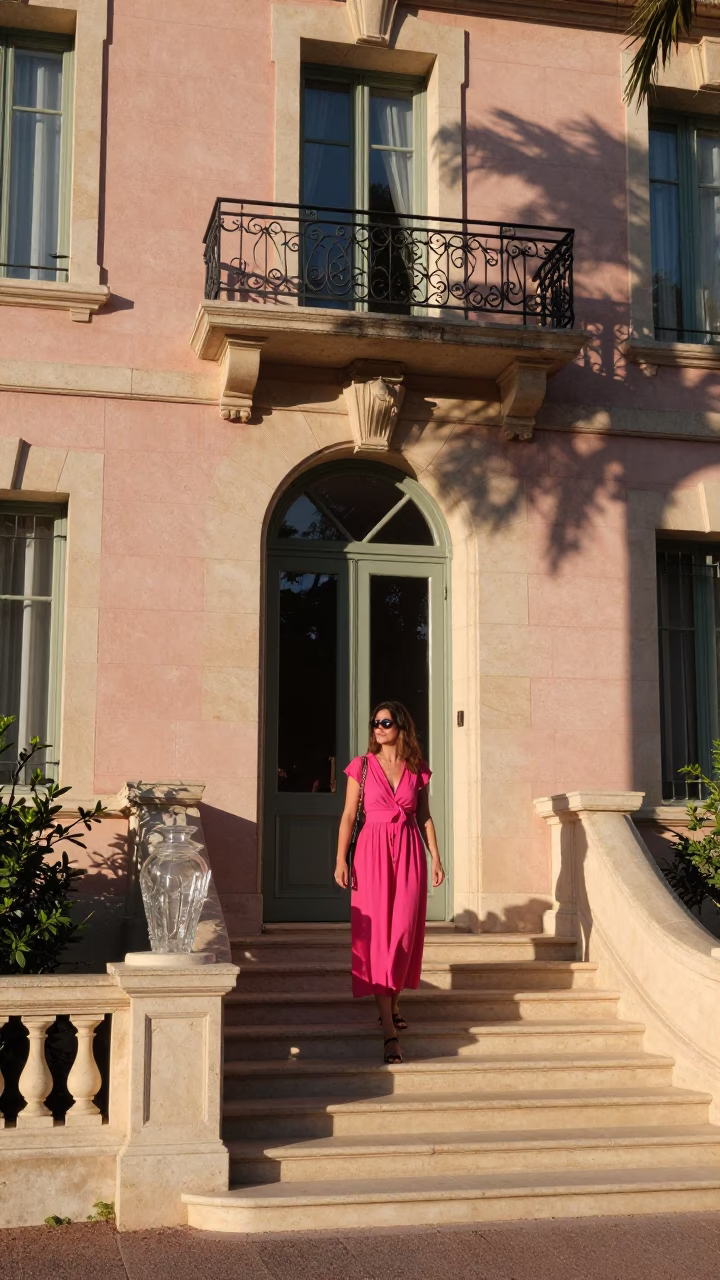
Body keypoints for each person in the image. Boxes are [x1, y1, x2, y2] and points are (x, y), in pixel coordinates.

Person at [334, 701, 445, 1063]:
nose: (378, 728)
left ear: (400, 726)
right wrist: (340, 860)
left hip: (410, 851)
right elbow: (349, 815)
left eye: (385, 722)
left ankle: (393, 1003)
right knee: (379, 938)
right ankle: (388, 1032)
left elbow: (425, 817)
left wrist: (437, 859)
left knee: (403, 934)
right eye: (375, 722)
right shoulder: (361, 766)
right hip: (371, 853)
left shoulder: (417, 770)